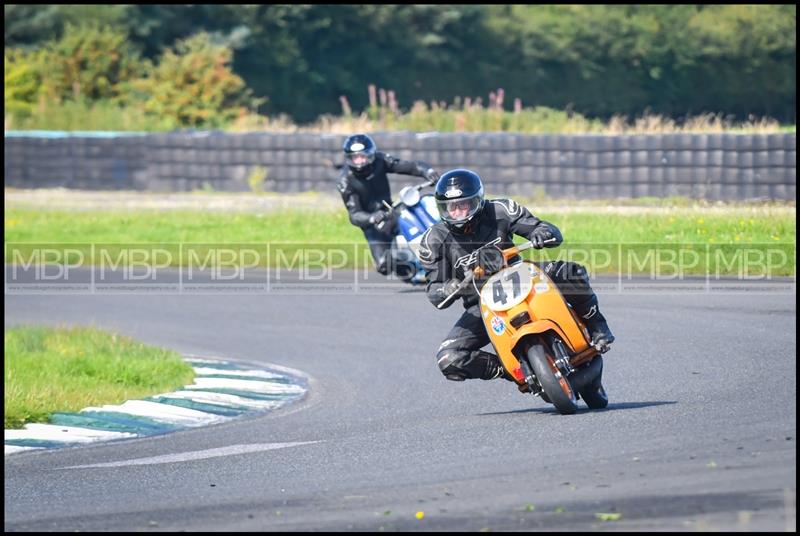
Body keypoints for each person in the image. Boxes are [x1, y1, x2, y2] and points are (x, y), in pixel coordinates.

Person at [418, 168, 614, 384]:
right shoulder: (432, 240)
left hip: (524, 279)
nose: (458, 213)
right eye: (451, 207)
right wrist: (449, 287)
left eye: (464, 205)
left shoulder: (500, 210)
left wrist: (541, 233)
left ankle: (597, 326)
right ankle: (511, 369)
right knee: (449, 358)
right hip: (483, 305)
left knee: (571, 272)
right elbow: (435, 291)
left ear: (478, 200)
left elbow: (546, 229)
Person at [336, 133, 439, 282]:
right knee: (383, 264)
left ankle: (442, 249)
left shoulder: (380, 160)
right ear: (349, 158)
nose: (359, 161)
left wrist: (427, 172)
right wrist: (372, 217)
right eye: (355, 157)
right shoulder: (345, 181)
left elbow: (410, 166)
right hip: (372, 223)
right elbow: (354, 215)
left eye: (363, 156)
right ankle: (414, 273)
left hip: (391, 211)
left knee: (420, 217)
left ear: (370, 154)